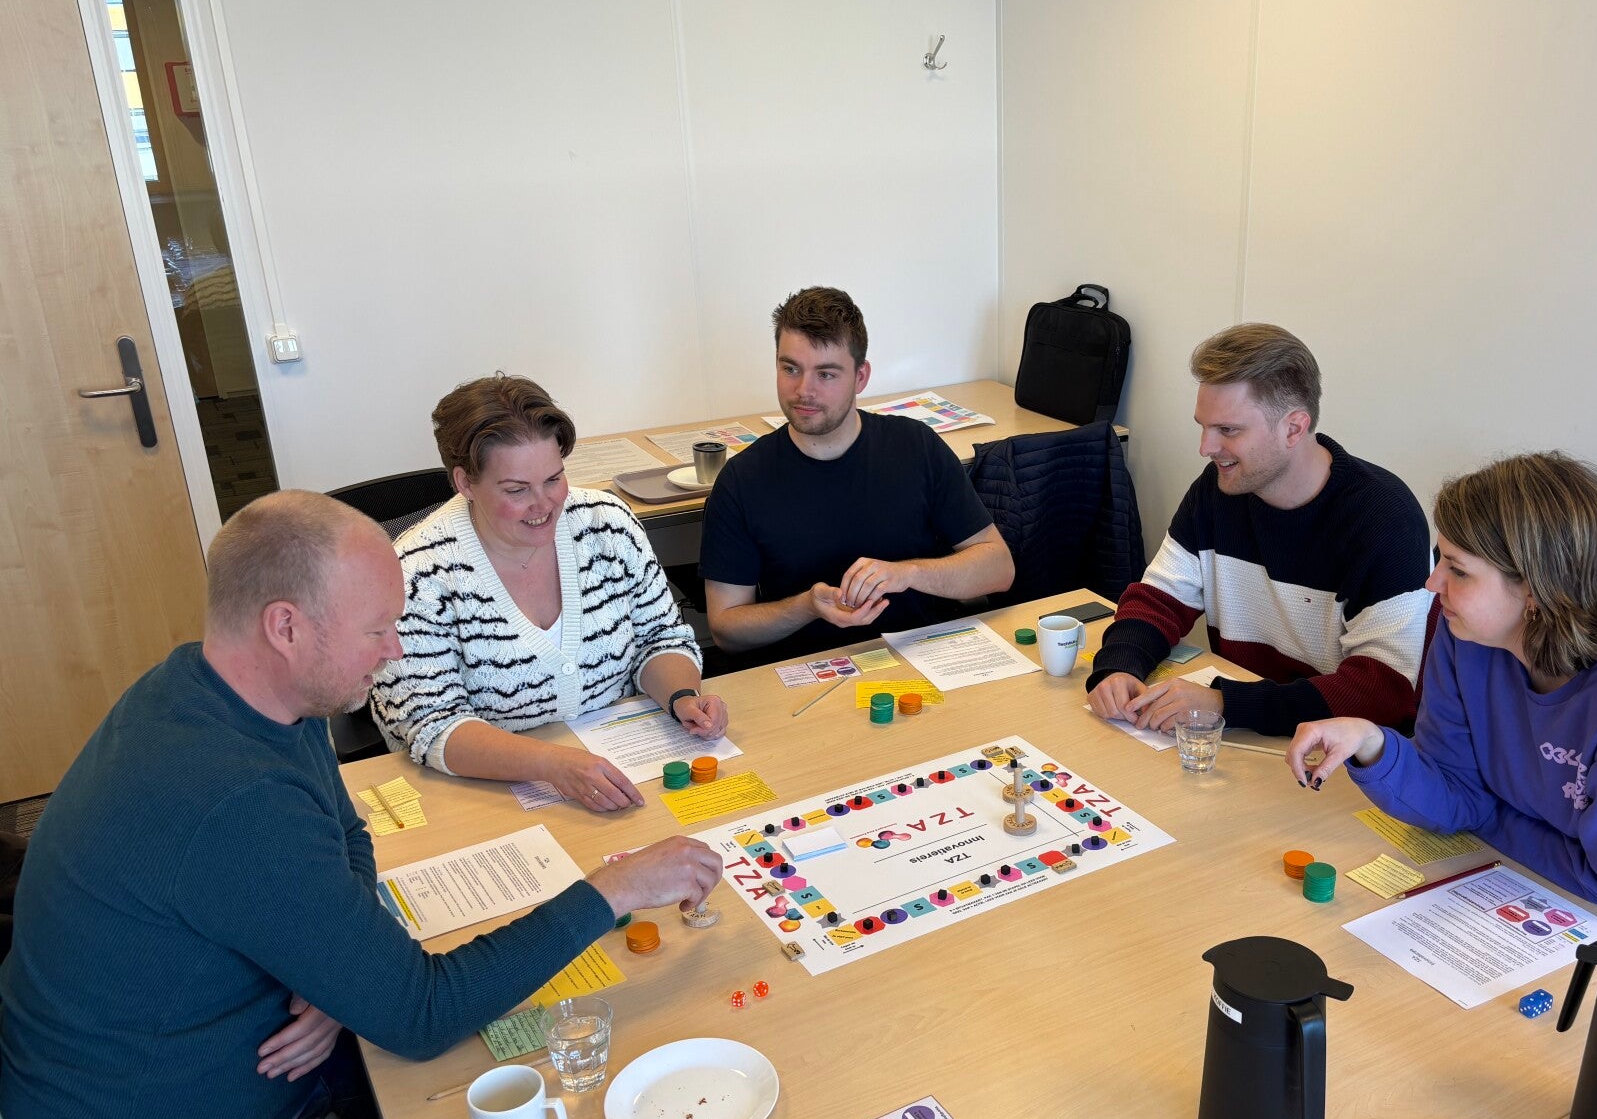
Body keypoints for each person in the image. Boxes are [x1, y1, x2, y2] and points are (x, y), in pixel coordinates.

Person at [0, 491, 722, 1119]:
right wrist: (614, 890)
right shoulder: (231, 796)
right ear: (286, 626)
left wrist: (335, 978)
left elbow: (345, 832)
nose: (396, 649)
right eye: (378, 629)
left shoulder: (237, 695)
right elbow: (420, 1015)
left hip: (179, 1084)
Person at [1287, 452, 1597, 915]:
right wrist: (1372, 744)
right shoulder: (1467, 638)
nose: (1433, 584)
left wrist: (1489, 818)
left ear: (1535, 589)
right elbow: (1457, 793)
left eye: (1458, 570)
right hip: (1558, 875)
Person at [372, 375, 727, 812]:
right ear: (465, 483)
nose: (543, 505)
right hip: (484, 796)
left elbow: (660, 638)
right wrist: (553, 765)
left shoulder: (607, 523)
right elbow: (431, 726)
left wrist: (682, 697)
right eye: (517, 490)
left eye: (554, 479)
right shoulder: (416, 574)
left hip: (616, 771)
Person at [1086, 323, 1432, 737]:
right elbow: (1159, 599)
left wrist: (1226, 704)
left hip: (1340, 754)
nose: (1205, 447)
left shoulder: (1384, 518)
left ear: (1294, 428)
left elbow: (1381, 692)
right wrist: (1120, 665)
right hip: (1251, 734)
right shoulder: (1217, 490)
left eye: (1228, 430)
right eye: (1203, 426)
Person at [700, 287, 1014, 659]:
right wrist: (806, 606)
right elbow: (726, 629)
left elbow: (998, 568)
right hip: (807, 671)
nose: (804, 390)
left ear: (860, 377)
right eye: (790, 369)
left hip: (919, 658)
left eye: (826, 374)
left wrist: (908, 574)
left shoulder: (916, 446)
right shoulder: (742, 480)